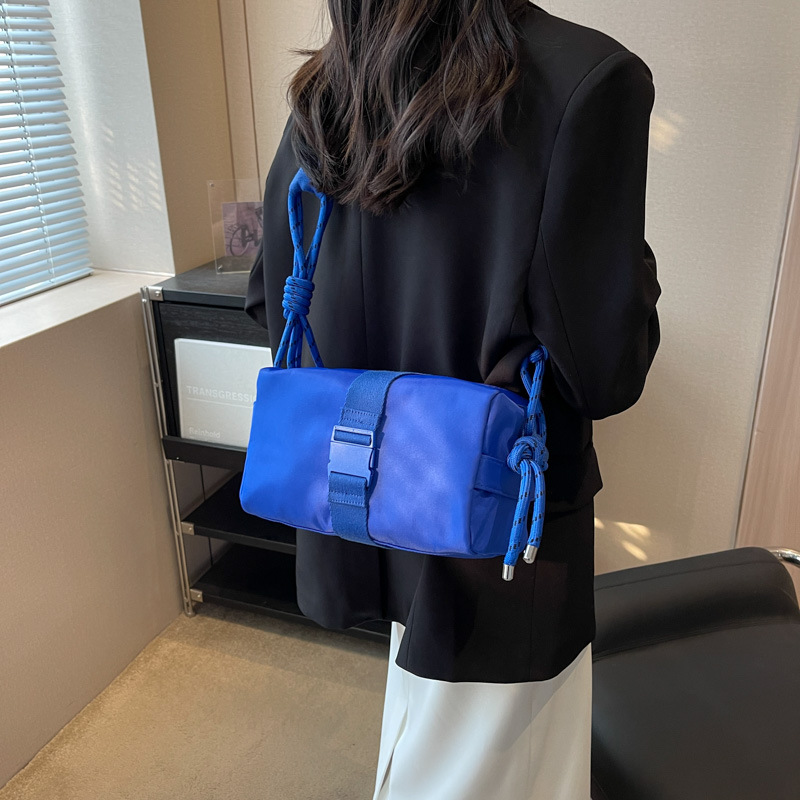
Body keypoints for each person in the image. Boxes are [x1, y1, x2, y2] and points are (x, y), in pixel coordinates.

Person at [244, 1, 661, 797]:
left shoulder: (333, 87)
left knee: (424, 742)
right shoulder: (587, 79)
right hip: (497, 533)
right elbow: (605, 370)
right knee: (497, 766)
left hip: (365, 501)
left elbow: (274, 297)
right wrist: (631, 268)